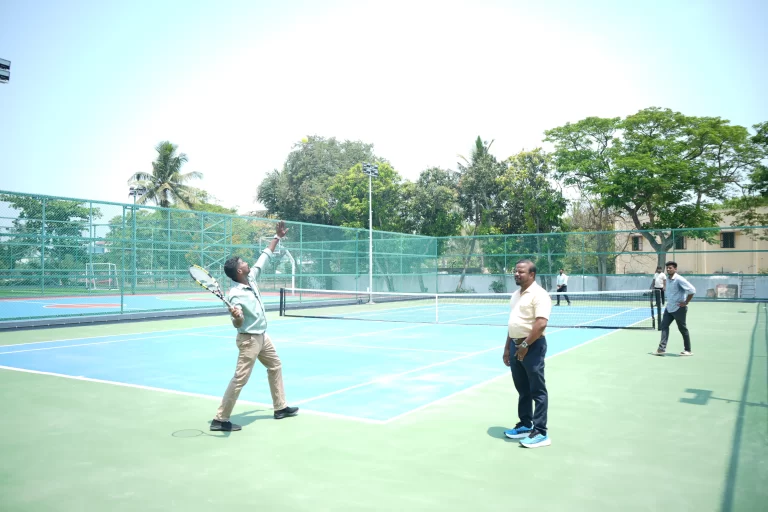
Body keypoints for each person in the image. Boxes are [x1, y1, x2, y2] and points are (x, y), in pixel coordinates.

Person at [210, 220, 299, 431]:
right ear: (239, 271)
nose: (246, 263)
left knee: (275, 366)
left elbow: (264, 256)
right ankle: (220, 420)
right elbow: (238, 323)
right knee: (240, 378)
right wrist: (237, 316)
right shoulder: (235, 295)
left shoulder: (251, 278)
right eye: (243, 262)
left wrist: (277, 237)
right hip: (249, 339)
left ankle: (280, 407)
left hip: (262, 337)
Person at [502, 259, 553, 448]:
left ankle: (540, 432)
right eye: (515, 271)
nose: (516, 274)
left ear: (532, 274)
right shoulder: (516, 295)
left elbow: (541, 324)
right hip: (516, 346)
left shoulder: (540, 295)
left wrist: (524, 345)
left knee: (537, 391)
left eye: (521, 272)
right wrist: (508, 348)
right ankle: (525, 425)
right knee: (522, 389)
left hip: (532, 346)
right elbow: (513, 323)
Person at [652, 261, 695, 357]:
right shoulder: (667, 279)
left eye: (670, 268)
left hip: (679, 309)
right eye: (667, 268)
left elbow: (692, 290)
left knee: (682, 328)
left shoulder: (679, 279)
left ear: (675, 269)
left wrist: (686, 302)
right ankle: (661, 349)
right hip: (669, 308)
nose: (668, 269)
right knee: (664, 326)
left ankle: (688, 350)